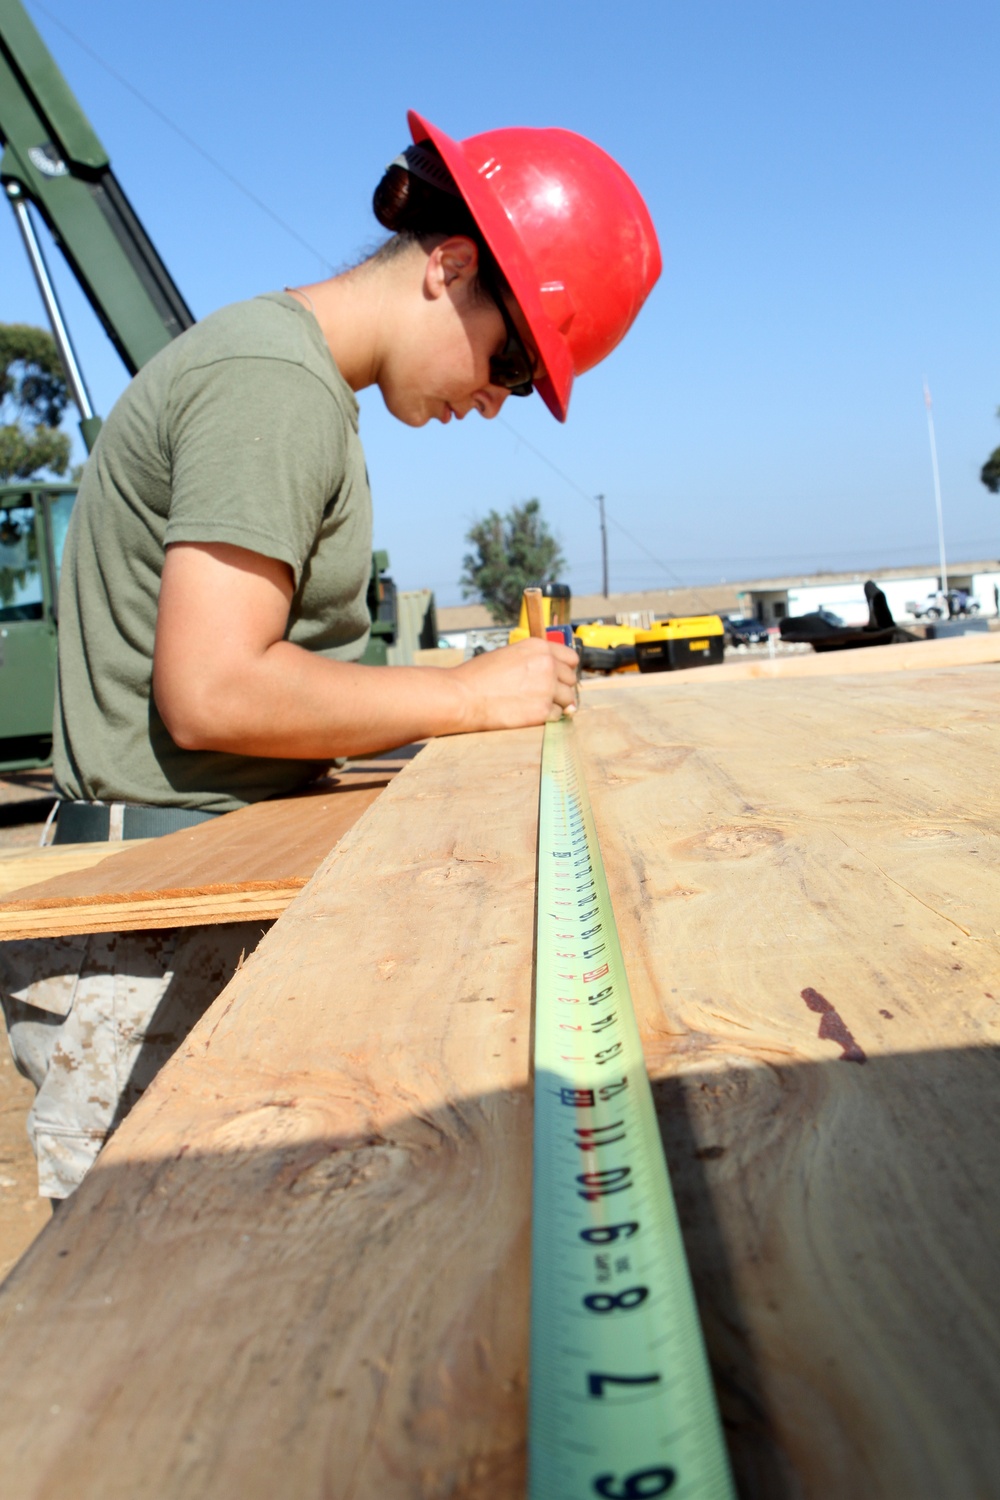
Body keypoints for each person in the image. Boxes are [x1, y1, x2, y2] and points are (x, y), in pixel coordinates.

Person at [1, 110, 661, 1199]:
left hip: (188, 900)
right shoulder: (274, 382)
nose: (494, 401)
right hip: (147, 939)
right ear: (450, 265)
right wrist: (463, 696)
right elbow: (215, 691)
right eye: (509, 360)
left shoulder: (294, 380)